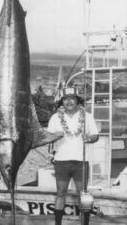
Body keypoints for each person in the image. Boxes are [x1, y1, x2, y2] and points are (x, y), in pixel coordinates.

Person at [47, 86, 99, 225]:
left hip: (81, 161)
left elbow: (95, 136)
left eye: (72, 98)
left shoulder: (87, 116)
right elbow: (47, 138)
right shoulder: (55, 118)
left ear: (77, 101)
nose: (69, 102)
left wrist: (89, 138)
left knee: (83, 195)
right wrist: (53, 136)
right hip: (61, 161)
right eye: (65, 99)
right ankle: (58, 223)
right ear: (62, 101)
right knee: (61, 193)